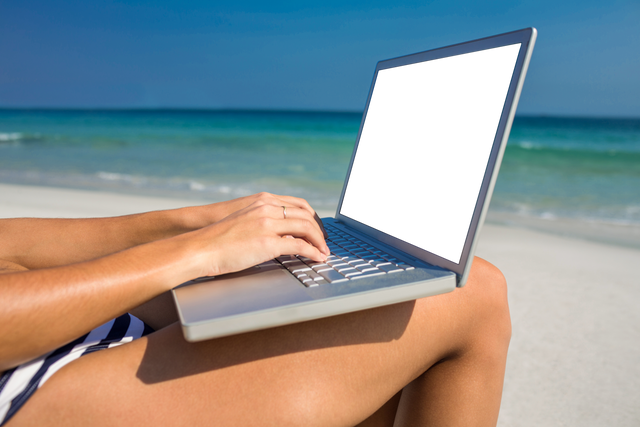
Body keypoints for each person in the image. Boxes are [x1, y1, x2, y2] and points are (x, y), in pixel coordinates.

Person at [0, 192, 510, 426]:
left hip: (49, 320)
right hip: (25, 381)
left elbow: (13, 248)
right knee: (472, 292)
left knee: (372, 332)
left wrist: (203, 223)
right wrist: (195, 252)